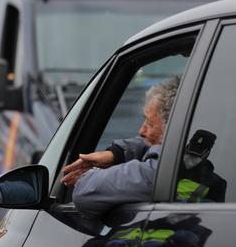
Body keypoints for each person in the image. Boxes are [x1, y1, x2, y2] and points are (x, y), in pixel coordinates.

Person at [62, 76, 180, 216]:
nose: (141, 131)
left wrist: (89, 175)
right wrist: (117, 154)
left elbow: (85, 193)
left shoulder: (160, 170)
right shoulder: (191, 156)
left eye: (150, 124)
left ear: (173, 129)